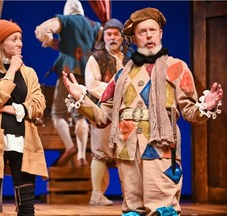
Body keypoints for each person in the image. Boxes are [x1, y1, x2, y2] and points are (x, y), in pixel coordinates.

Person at [62, 7, 223, 216]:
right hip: (127, 149)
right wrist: (81, 99)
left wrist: (205, 107)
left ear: (161, 33)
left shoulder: (176, 67)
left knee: (162, 208)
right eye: (142, 32)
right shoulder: (121, 75)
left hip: (161, 148)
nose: (148, 36)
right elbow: (103, 118)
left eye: (153, 30)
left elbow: (191, 113)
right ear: (134, 38)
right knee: (132, 209)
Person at [0, 19, 48, 215]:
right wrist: (12, 70)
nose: (19, 43)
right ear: (0, 44)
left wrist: (9, 109)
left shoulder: (30, 73)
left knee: (26, 205)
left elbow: (39, 104)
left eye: (20, 39)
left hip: (24, 141)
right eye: (14, 39)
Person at [35, 0, 102, 167]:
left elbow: (43, 30)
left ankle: (70, 146)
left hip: (67, 72)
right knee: (81, 115)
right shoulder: (95, 26)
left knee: (58, 114)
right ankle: (81, 155)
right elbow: (102, 44)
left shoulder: (65, 21)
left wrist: (51, 42)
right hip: (86, 74)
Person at [85, 18, 129, 206]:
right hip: (104, 109)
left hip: (126, 110)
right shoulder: (96, 57)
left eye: (115, 34)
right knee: (101, 152)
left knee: (127, 152)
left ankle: (131, 193)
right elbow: (92, 84)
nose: (112, 37)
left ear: (121, 36)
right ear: (104, 36)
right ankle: (96, 194)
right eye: (108, 34)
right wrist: (115, 90)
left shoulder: (129, 58)